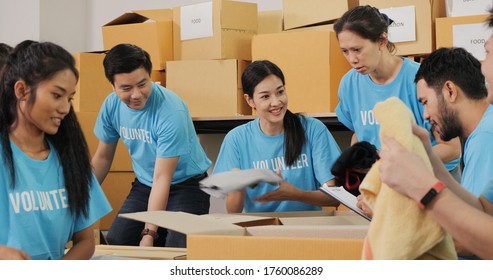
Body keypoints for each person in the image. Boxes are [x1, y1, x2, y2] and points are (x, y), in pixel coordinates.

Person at [377, 9, 493, 260]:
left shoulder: (487, 135)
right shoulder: (479, 136)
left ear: (450, 90)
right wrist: (428, 158)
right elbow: (484, 211)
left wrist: (418, 189)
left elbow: (472, 240)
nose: (426, 115)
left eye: (425, 102)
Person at [92, 44, 211, 248]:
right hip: (145, 184)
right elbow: (102, 158)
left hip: (186, 185)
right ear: (112, 86)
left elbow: (162, 177)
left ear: (149, 75)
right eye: (126, 88)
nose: (136, 94)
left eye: (142, 84)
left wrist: (149, 232)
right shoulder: (111, 105)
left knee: (176, 247)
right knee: (118, 240)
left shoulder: (171, 111)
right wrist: (80, 201)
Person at [0, 40, 111, 260]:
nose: (65, 108)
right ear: (21, 90)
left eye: (70, 98)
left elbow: (86, 241)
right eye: (56, 95)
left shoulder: (71, 160)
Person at [333, 5, 462, 181]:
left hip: (434, 179)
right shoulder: (348, 84)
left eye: (357, 49)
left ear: (381, 41)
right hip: (386, 180)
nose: (352, 59)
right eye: (345, 51)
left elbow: (451, 148)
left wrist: (401, 162)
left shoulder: (421, 80)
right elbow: (359, 133)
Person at [213, 60, 341, 213]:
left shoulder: (313, 130)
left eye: (280, 92)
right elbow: (233, 213)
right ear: (250, 100)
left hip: (308, 228)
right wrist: (238, 188)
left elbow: (335, 197)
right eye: (265, 96)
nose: (276, 102)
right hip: (260, 230)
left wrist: (297, 195)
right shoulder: (236, 139)